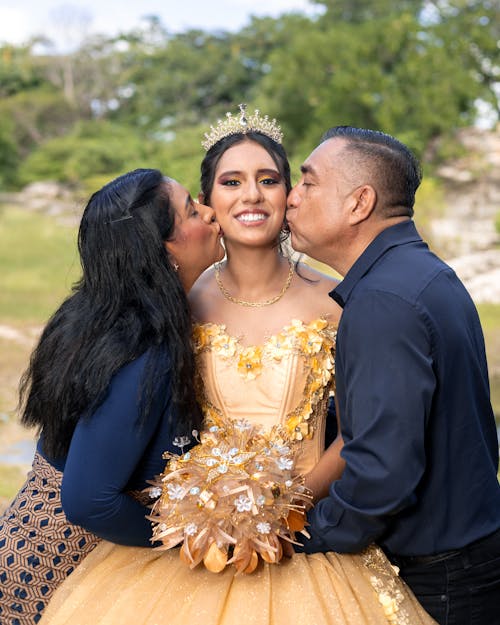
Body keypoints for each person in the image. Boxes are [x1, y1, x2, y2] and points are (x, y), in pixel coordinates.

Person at [39, 109, 437, 625]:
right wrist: (202, 518)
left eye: (268, 180)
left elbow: (363, 429)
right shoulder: (177, 305)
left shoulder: (338, 301)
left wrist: (286, 507)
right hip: (192, 548)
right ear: (208, 204)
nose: (251, 195)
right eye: (232, 182)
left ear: (289, 196)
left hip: (307, 534)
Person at [286, 125, 500, 625]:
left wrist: (303, 533)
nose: (291, 199)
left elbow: (383, 469)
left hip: (443, 574)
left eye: (309, 183)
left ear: (360, 202)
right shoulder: (420, 274)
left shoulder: (383, 300)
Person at [0, 168, 224, 625]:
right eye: (192, 209)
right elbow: (88, 499)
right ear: (166, 246)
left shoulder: (113, 315)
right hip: (55, 569)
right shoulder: (145, 350)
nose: (210, 211)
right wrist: (192, 539)